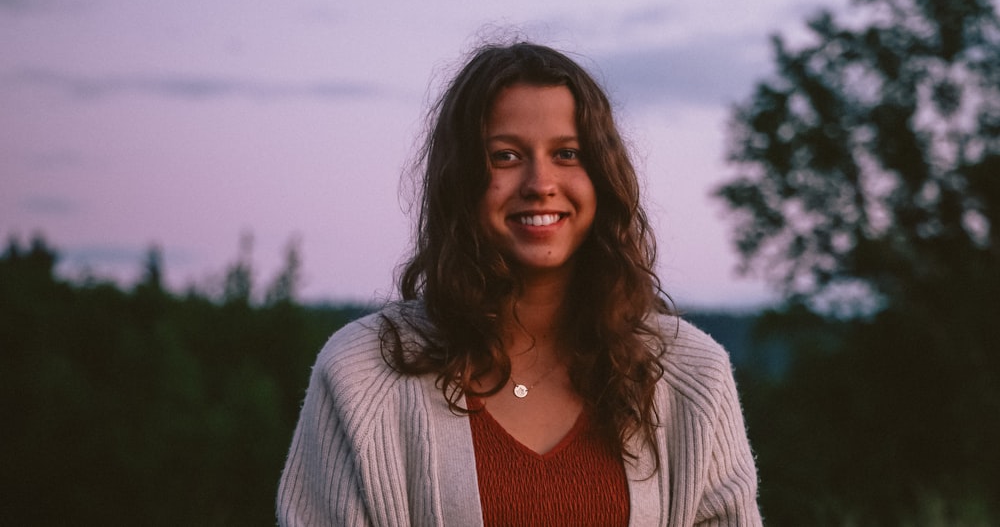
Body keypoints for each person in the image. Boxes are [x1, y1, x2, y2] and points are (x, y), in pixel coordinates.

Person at [277, 42, 761, 526]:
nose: (540, 182)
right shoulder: (361, 376)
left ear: (603, 176)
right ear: (459, 179)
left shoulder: (692, 377)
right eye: (505, 156)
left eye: (568, 153)